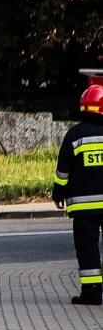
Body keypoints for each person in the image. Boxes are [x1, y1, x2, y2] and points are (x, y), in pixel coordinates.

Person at [53, 84, 103, 305]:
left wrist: (58, 193)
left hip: (84, 207)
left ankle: (92, 293)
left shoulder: (75, 135)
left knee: (87, 248)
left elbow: (63, 170)